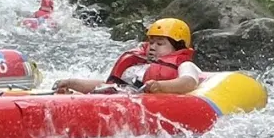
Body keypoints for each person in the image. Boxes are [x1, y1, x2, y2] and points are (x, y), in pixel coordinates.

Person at [52, 18, 202, 96]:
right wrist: (73, 83)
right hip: (122, 95)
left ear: (178, 47)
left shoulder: (184, 64)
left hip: (150, 101)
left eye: (160, 44)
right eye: (151, 42)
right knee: (108, 88)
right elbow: (111, 86)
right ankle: (70, 84)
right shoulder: (139, 63)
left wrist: (161, 86)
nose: (153, 47)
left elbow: (189, 82)